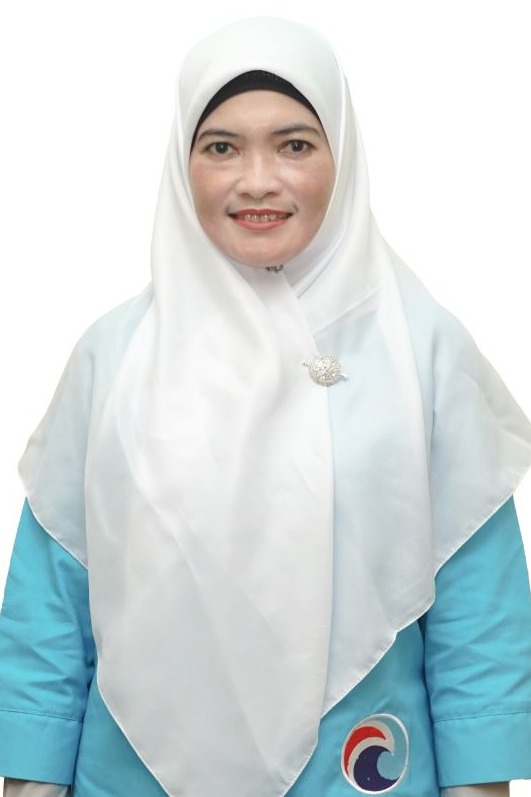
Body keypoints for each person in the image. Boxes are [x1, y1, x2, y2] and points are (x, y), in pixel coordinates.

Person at [1, 15, 531, 797]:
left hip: (357, 770)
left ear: (340, 156)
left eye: (294, 145)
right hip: (131, 777)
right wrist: (28, 779)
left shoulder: (420, 351)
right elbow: (51, 600)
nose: (256, 180)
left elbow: (476, 605)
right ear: (181, 164)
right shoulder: (113, 357)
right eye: (221, 147)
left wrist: (483, 782)